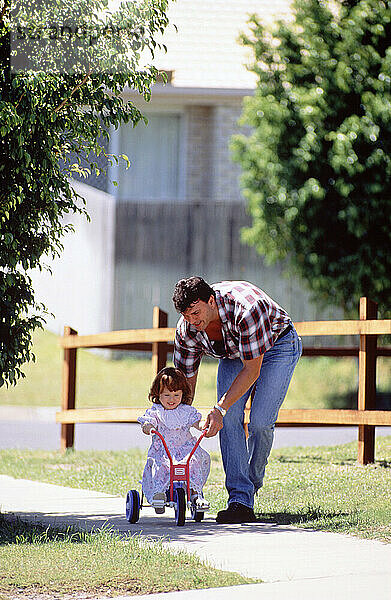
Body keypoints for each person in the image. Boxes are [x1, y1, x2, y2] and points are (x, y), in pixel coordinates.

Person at [172, 277, 302, 524]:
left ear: (211, 301)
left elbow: (252, 370)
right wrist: (180, 420)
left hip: (277, 345)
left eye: (196, 312)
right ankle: (241, 501)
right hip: (233, 353)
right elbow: (183, 384)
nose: (192, 321)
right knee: (229, 418)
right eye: (186, 315)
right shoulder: (187, 330)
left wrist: (219, 407)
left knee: (260, 423)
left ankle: (250, 483)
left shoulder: (247, 310)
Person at [138, 366, 211, 512]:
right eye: (166, 395)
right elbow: (149, 422)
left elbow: (195, 422)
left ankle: (196, 494)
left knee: (195, 462)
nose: (172, 400)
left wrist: (202, 426)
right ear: (158, 394)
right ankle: (159, 494)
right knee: (160, 465)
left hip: (185, 449)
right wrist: (148, 426)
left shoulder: (185, 411)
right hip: (164, 450)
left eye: (176, 395)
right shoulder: (156, 412)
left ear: (182, 394)